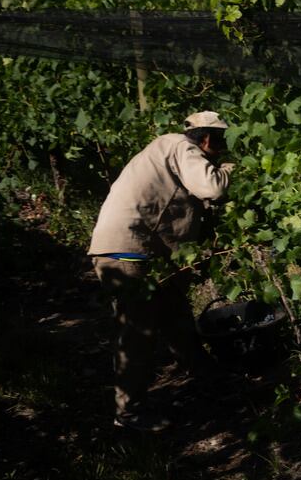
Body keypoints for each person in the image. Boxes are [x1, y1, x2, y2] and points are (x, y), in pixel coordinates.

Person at [88, 111, 233, 432]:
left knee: (176, 316)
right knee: (137, 332)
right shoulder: (182, 148)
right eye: (222, 144)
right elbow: (212, 188)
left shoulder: (165, 150)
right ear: (207, 138)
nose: (222, 151)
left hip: (138, 250)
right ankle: (129, 413)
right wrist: (229, 172)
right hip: (130, 251)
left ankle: (210, 379)